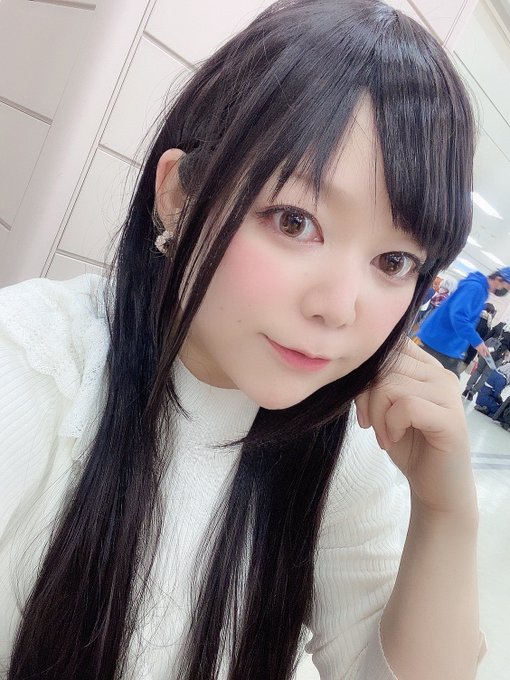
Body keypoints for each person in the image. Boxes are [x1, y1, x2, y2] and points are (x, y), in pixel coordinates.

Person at [0, 1, 485, 679]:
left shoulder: (344, 448)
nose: (338, 308)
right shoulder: (33, 363)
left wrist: (445, 512)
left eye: (394, 261)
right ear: (178, 196)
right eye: (294, 221)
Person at [417, 268, 510, 375]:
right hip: (439, 343)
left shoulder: (480, 290)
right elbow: (459, 317)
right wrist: (477, 342)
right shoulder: (475, 288)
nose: (506, 291)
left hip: (448, 346)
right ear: (498, 279)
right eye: (507, 288)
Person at [463, 318, 510, 400]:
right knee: (486, 375)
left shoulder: (500, 325)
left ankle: (467, 389)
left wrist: (481, 349)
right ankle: (472, 392)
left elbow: (488, 336)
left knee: (478, 370)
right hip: (498, 357)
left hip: (486, 350)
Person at [462, 302, 496, 372]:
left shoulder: (472, 316)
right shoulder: (487, 325)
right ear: (490, 312)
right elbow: (484, 339)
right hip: (471, 352)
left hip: (460, 346)